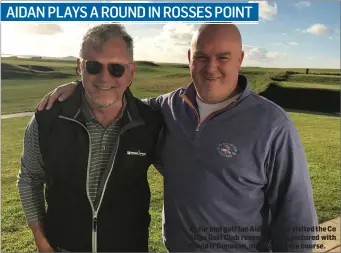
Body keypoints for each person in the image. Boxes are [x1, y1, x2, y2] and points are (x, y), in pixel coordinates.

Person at [36, 24, 319, 252]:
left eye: (223, 57)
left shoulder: (272, 124)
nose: (211, 67)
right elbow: (115, 99)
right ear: (189, 58)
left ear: (241, 59)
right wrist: (80, 85)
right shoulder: (167, 108)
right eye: (201, 57)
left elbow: (296, 214)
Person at [17, 24, 164, 252]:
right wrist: (40, 239)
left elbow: (182, 176)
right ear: (79, 67)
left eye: (116, 68)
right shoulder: (48, 119)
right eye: (93, 66)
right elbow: (30, 178)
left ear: (131, 73)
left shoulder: (150, 123)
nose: (104, 78)